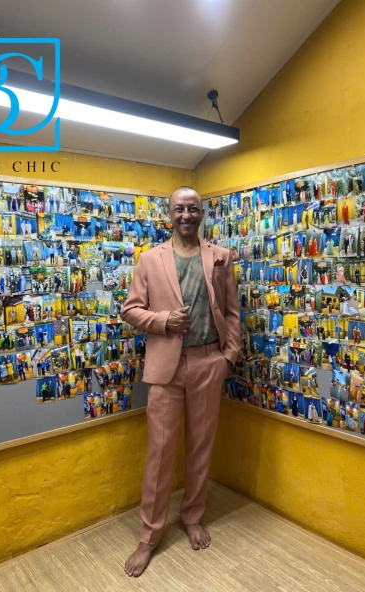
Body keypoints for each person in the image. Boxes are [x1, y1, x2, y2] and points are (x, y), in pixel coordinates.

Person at [122, 186, 240, 578]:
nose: (186, 215)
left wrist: (228, 357)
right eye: (178, 209)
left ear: (202, 213)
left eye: (192, 208)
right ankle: (149, 535)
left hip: (208, 363)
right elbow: (131, 310)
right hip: (166, 369)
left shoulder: (221, 256)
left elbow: (232, 311)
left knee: (200, 448)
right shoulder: (149, 259)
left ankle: (192, 516)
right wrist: (163, 321)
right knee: (159, 452)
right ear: (169, 214)